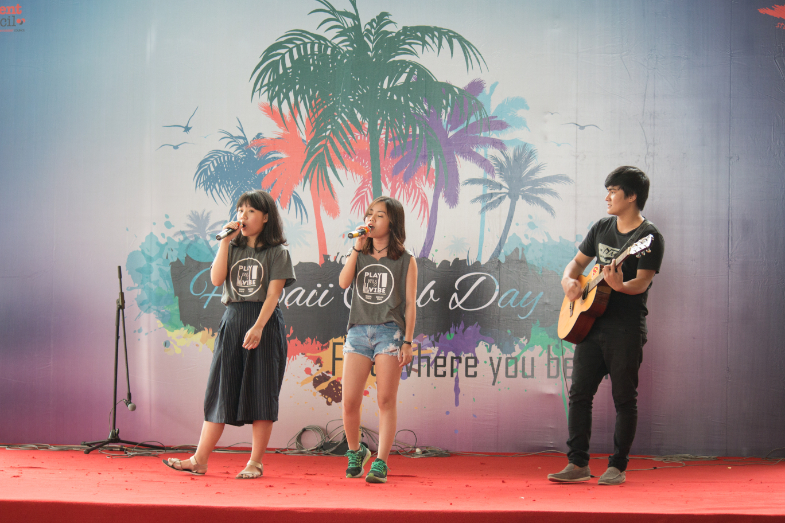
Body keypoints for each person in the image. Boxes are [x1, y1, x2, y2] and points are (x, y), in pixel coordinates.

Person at [163, 190, 295, 479]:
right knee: (220, 391)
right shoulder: (231, 246)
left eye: (249, 211)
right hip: (233, 320)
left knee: (262, 393)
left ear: (265, 217)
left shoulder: (277, 252)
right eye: (240, 211)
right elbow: (215, 279)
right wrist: (224, 241)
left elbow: (273, 295)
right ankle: (199, 459)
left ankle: (255, 463)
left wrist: (259, 326)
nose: (242, 216)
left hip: (264, 321)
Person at [548, 166, 664, 486]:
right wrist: (569, 281)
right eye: (607, 190)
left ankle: (618, 465)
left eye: (613, 190)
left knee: (624, 398)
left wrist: (620, 285)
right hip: (590, 326)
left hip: (625, 329)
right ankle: (577, 463)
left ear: (632, 196)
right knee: (579, 394)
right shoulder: (601, 227)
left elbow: (641, 283)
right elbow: (577, 264)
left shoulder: (648, 238)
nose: (607, 196)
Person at [338, 196, 417, 484]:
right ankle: (355, 452)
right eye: (369, 214)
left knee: (385, 399)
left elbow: (410, 303)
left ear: (392, 222)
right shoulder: (359, 252)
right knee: (349, 402)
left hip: (390, 333)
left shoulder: (406, 261)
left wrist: (407, 341)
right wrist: (356, 248)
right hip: (358, 330)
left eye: (379, 215)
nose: (371, 219)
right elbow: (343, 283)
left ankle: (381, 460)